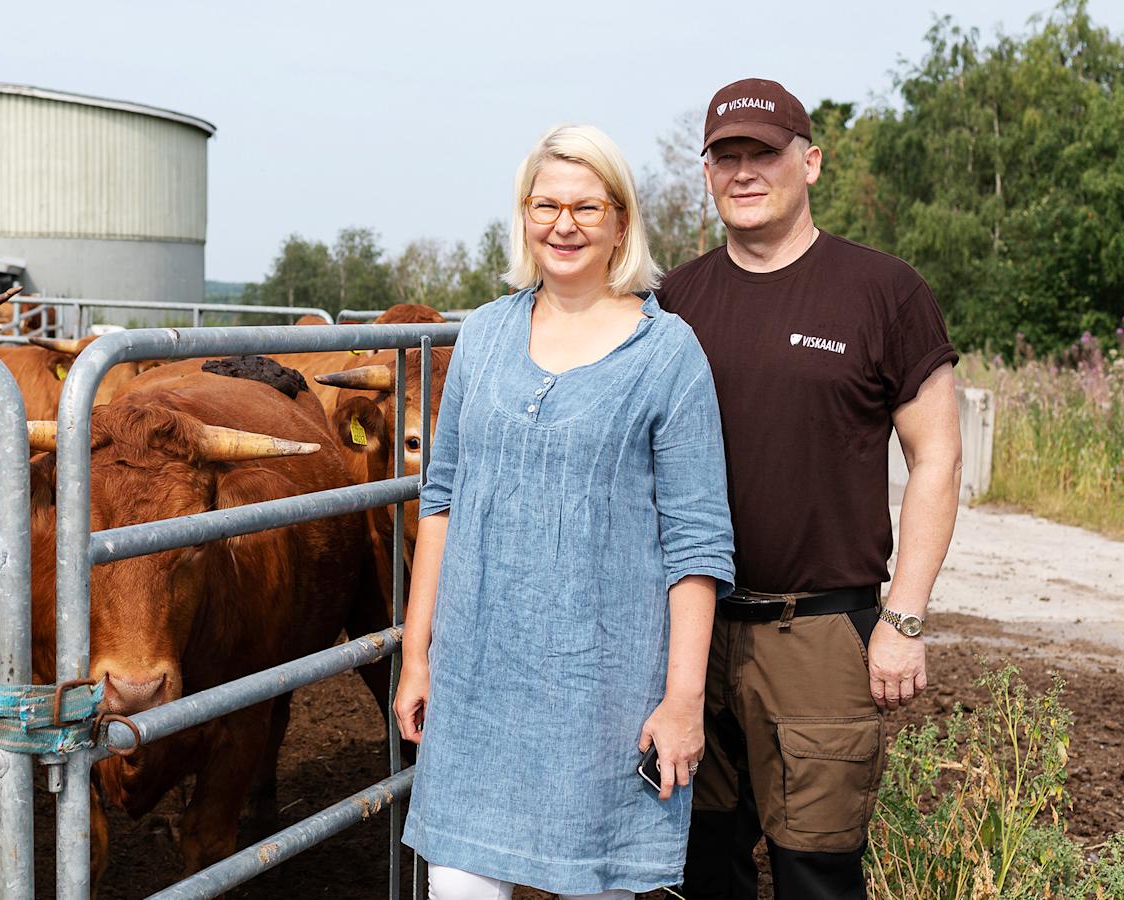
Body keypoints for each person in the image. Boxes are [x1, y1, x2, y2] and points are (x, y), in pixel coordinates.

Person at [394, 124, 736, 900]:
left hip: (602, 699)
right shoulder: (483, 336)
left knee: (595, 882)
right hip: (476, 686)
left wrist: (683, 700)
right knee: (458, 888)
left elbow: (697, 543)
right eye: (545, 205)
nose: (564, 224)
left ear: (621, 221)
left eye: (586, 206)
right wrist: (418, 655)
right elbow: (440, 502)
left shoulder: (668, 354)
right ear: (524, 216)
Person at [658, 78, 963, 900]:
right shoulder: (673, 301)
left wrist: (903, 618)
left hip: (820, 633)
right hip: (689, 630)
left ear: (812, 162)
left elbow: (936, 458)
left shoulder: (883, 291)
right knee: (695, 867)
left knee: (816, 873)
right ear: (707, 173)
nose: (744, 172)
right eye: (726, 156)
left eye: (764, 153)